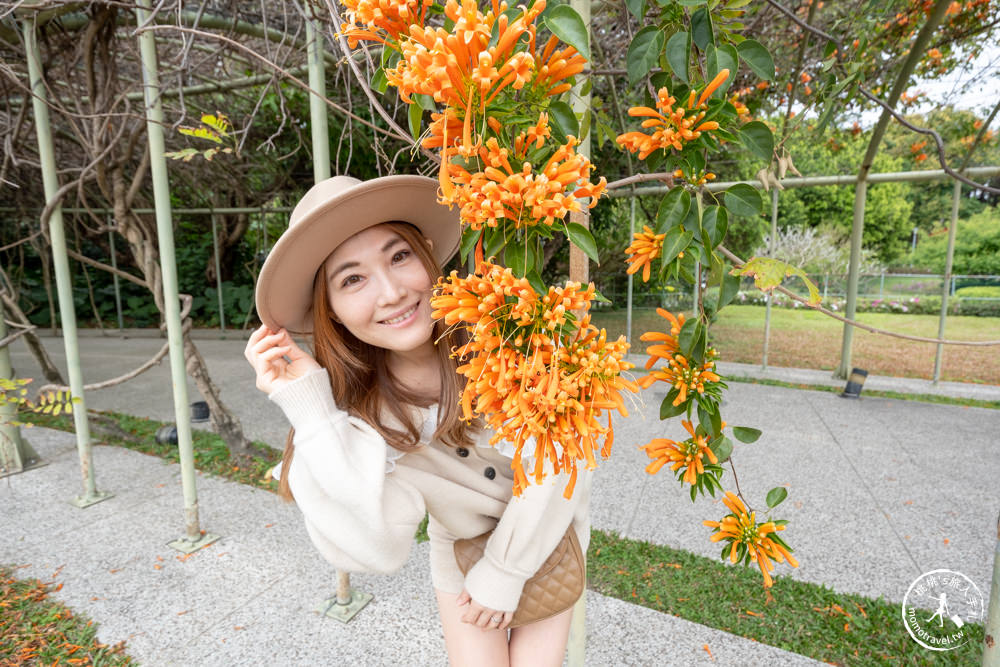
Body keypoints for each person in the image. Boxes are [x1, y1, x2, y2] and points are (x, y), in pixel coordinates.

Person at [245, 175, 591, 666]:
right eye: (352, 279)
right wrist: (310, 407)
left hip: (547, 529)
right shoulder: (363, 414)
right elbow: (377, 548)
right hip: (460, 547)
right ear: (334, 313)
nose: (390, 292)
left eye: (399, 256)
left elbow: (565, 459)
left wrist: (506, 572)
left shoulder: (506, 328)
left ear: (427, 253)